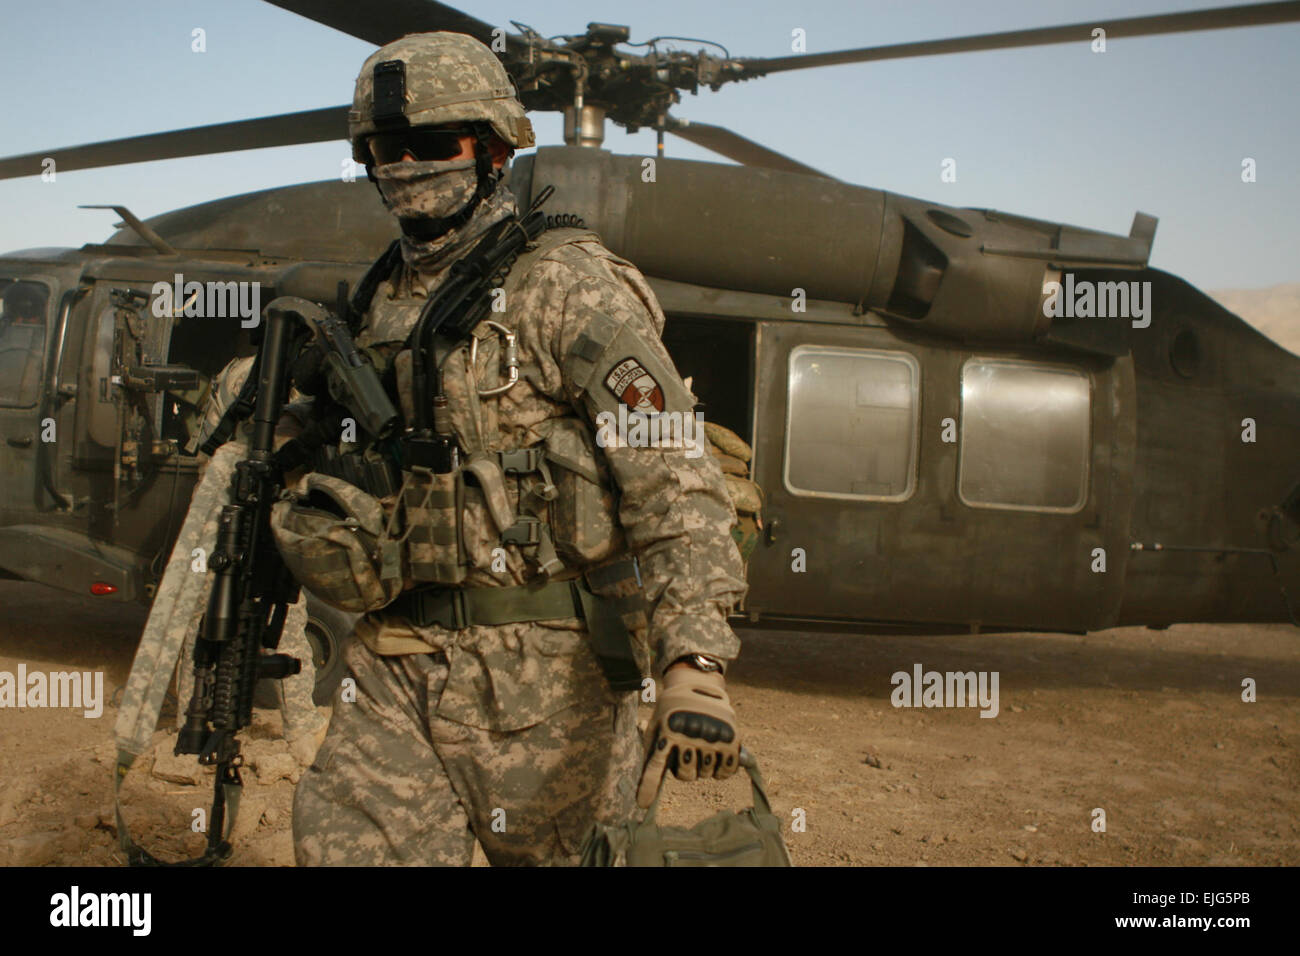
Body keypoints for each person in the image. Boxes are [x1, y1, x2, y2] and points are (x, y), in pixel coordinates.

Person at [283, 31, 749, 866]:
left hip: (545, 685)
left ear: (494, 149)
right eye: (389, 147)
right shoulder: (378, 300)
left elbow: (675, 478)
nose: (408, 165)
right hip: (394, 658)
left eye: (434, 143)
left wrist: (695, 660)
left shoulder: (567, 286)